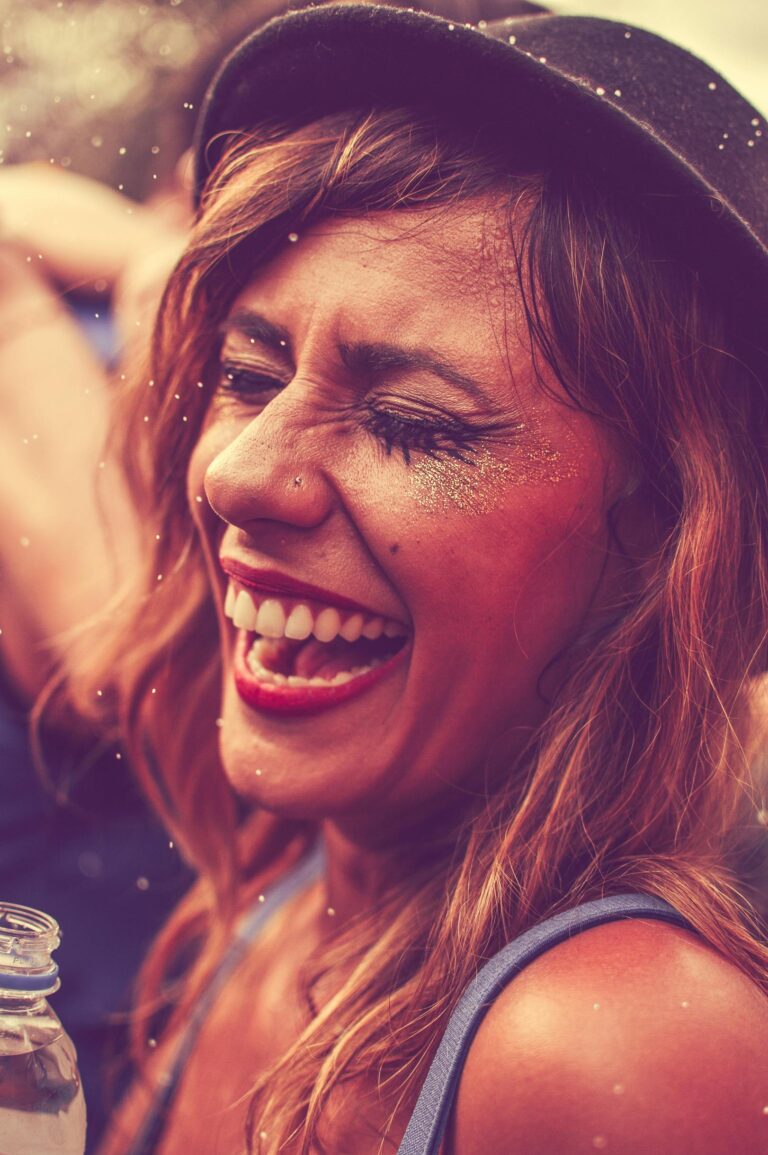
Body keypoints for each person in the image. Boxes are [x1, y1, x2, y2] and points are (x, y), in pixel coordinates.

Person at [66, 5, 768, 1153]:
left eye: (409, 424)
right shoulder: (276, 902)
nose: (243, 475)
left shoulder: (611, 1049)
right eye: (250, 375)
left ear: (667, 546)